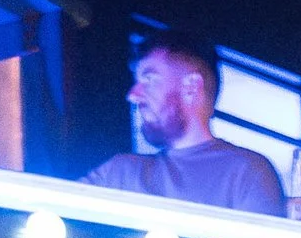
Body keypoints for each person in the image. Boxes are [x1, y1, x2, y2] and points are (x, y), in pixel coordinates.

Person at [81, 30, 286, 216]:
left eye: (149, 80)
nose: (133, 95)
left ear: (191, 87)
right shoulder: (119, 173)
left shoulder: (247, 172)